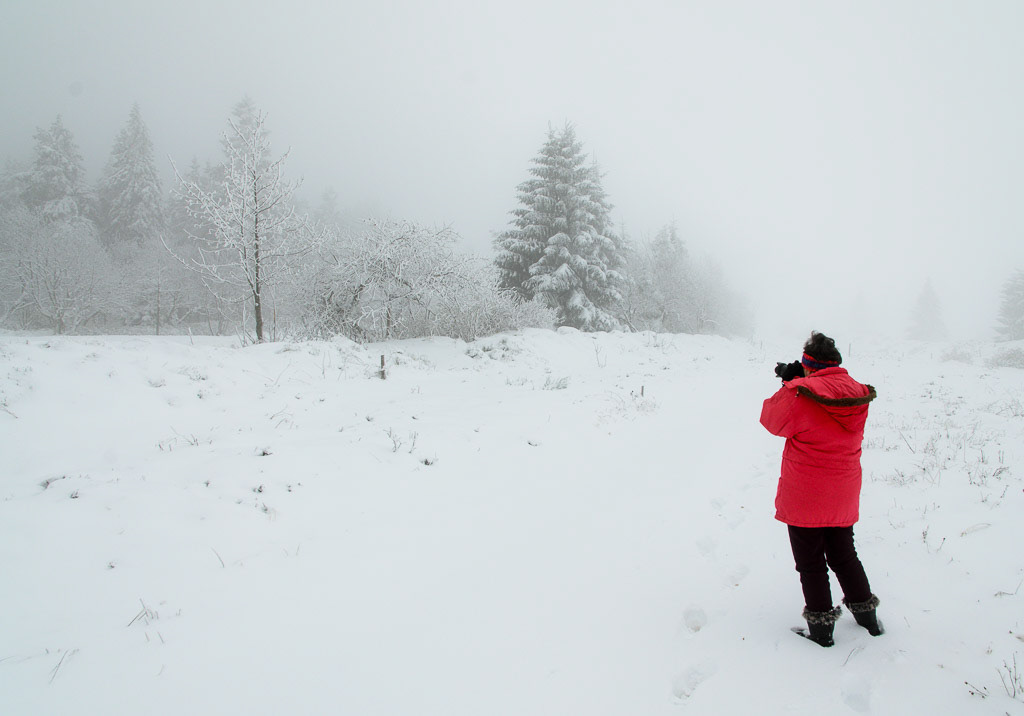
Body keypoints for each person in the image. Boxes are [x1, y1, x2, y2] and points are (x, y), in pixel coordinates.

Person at [760, 331, 882, 647]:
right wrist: (800, 382)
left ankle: (821, 631)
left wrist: (790, 383)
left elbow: (771, 420)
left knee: (811, 563)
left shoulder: (802, 392)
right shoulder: (855, 393)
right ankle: (869, 620)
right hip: (842, 490)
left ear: (809, 366)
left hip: (805, 495)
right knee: (844, 555)